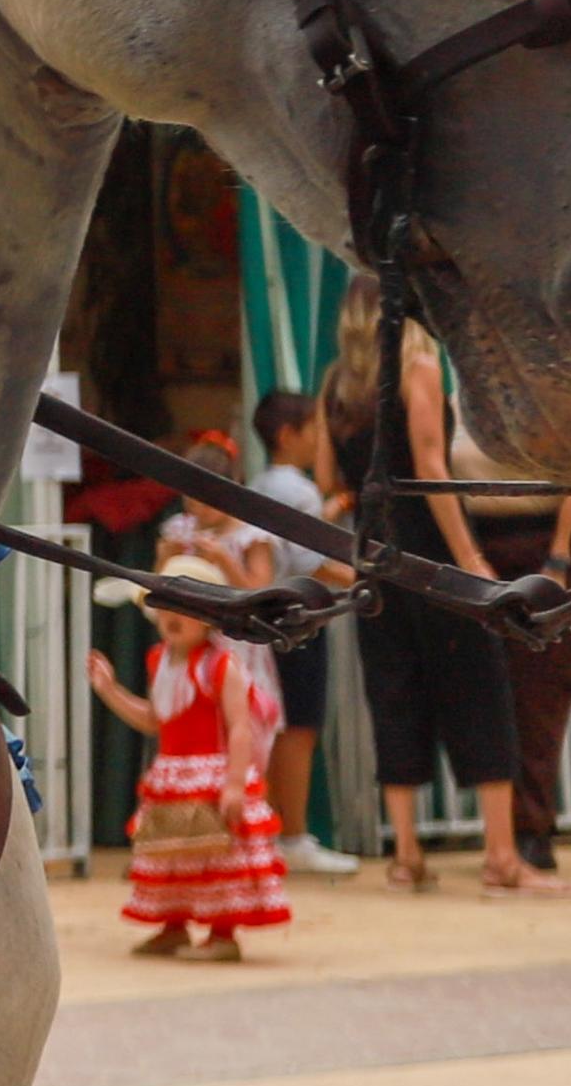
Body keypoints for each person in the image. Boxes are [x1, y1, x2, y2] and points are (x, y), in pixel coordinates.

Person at [323, 295, 543, 900]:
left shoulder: (336, 387)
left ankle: (407, 856)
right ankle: (500, 857)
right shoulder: (418, 370)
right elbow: (431, 466)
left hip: (377, 563)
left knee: (394, 694)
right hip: (432, 557)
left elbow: (328, 480)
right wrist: (469, 558)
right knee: (479, 691)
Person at [92, 529, 289, 958]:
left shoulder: (222, 665)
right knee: (172, 855)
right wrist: (109, 691)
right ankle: (174, 924)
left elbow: (239, 726)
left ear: (207, 617)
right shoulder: (159, 661)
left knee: (216, 858)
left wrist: (235, 783)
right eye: (163, 610)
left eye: (182, 610)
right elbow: (153, 719)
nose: (170, 619)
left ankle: (222, 934)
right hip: (171, 774)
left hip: (211, 773)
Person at [244, 389, 364, 878]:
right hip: (299, 618)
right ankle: (292, 834)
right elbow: (310, 558)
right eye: (313, 431)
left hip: (266, 621)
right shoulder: (300, 490)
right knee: (299, 729)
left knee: (274, 727)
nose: (320, 441)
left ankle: (273, 832)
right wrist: (365, 579)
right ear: (288, 435)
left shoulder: (261, 484)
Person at [471, 480, 571, 881]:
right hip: (487, 550)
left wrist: (559, 556)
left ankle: (531, 831)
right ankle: (512, 834)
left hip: (550, 552)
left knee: (541, 706)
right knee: (504, 709)